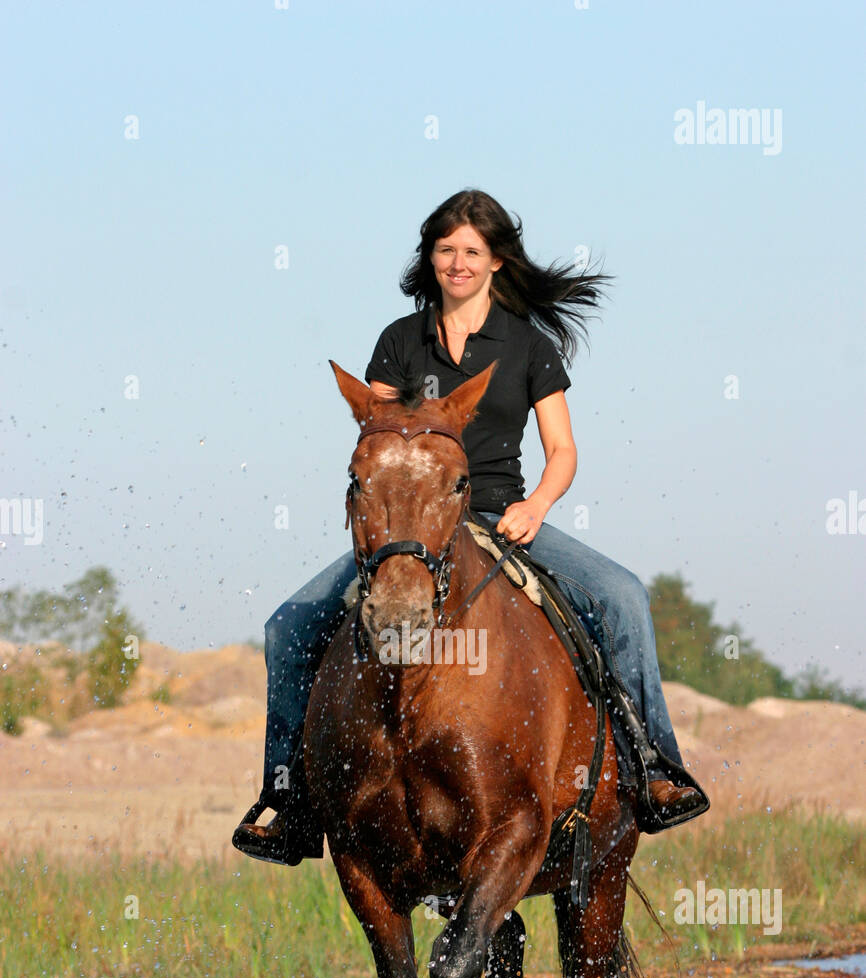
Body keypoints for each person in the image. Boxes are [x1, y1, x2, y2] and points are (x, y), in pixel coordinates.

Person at [233, 189, 707, 865]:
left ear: (495, 261)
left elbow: (564, 449)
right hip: (413, 531)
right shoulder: (401, 341)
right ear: (431, 258)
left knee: (624, 595)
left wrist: (537, 505)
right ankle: (289, 802)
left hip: (503, 515)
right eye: (446, 250)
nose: (458, 262)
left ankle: (655, 767)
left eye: (472, 252)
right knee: (287, 625)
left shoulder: (528, 345)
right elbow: (384, 434)